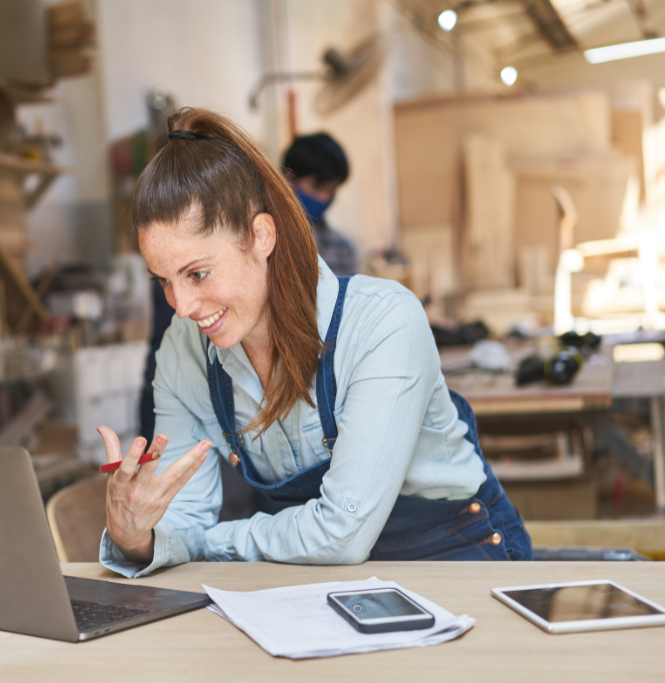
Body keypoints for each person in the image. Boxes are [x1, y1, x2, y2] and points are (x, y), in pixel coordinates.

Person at [96, 108, 531, 577]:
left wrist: (209, 541)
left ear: (261, 235)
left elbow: (341, 532)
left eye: (198, 274)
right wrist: (137, 535)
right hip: (317, 577)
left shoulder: (383, 323)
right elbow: (180, 525)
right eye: (164, 281)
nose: (180, 306)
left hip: (455, 557)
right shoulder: (184, 352)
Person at [283, 133, 357, 276]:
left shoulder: (342, 248)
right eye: (317, 187)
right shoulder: (266, 238)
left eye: (332, 190)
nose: (324, 197)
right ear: (289, 179)